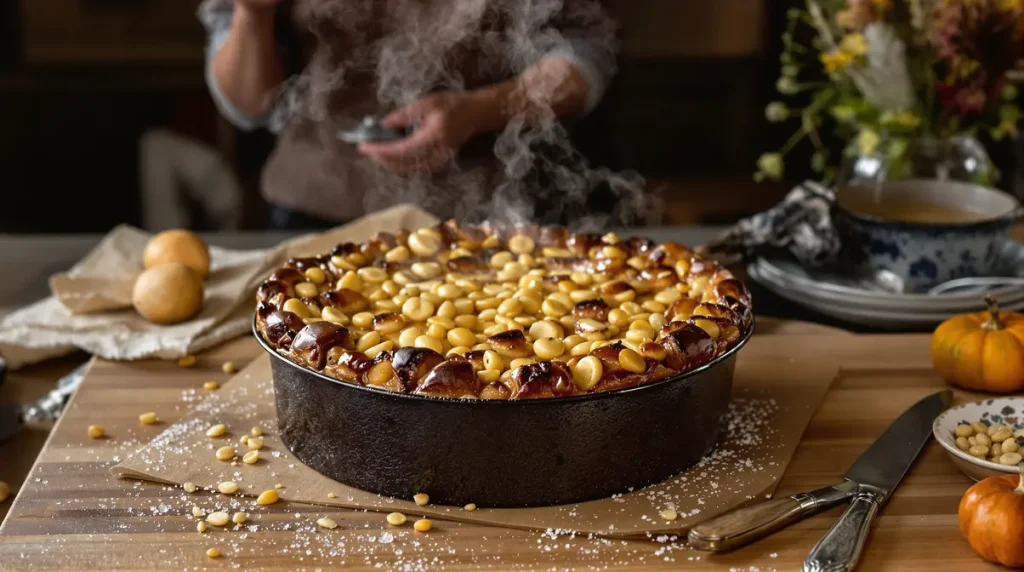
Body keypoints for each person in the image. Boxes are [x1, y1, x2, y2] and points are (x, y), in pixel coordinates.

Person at [198, 0, 617, 230]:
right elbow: (248, 108)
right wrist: (252, 15)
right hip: (312, 214)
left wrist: (476, 111)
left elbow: (587, 56)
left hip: (488, 217)